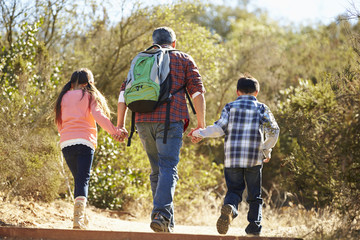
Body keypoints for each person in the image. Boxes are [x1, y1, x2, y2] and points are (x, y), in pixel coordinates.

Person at [115, 27, 206, 233]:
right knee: (168, 168)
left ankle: (166, 223)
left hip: (142, 121)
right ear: (174, 43)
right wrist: (201, 125)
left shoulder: (141, 58)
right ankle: (161, 214)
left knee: (157, 170)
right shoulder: (183, 58)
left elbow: (123, 94)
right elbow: (197, 92)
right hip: (170, 121)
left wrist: (120, 124)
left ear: (154, 41)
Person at [191, 75, 279, 236]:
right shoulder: (262, 108)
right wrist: (266, 149)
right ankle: (253, 228)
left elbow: (218, 129)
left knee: (234, 191)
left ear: (237, 92)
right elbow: (274, 131)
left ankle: (230, 208)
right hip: (254, 159)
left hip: (233, 159)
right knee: (255, 195)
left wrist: (200, 132)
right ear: (256, 92)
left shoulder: (230, 107)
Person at [54, 68, 121, 229]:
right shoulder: (89, 95)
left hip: (66, 143)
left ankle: (82, 218)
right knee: (83, 180)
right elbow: (99, 117)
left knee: (79, 180)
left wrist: (67, 135)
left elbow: (59, 123)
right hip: (85, 142)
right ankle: (78, 220)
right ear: (88, 83)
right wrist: (115, 131)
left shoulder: (63, 97)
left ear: (72, 83)